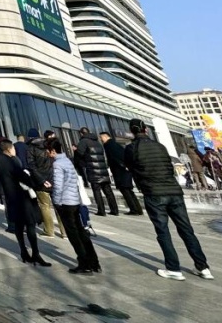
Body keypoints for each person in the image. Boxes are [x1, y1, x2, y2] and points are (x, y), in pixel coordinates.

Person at [124, 119, 212, 281]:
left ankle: (173, 268)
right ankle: (203, 267)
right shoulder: (160, 146)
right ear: (146, 130)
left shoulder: (131, 148)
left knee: (163, 231)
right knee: (186, 229)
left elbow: (130, 167)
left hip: (154, 192)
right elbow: (169, 167)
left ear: (131, 131)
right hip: (173, 190)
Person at [0, 139, 51, 266]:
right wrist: (38, 182)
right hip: (22, 197)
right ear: (9, 149)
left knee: (19, 226)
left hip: (11, 197)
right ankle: (36, 253)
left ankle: (23, 252)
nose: (15, 150)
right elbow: (23, 177)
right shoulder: (12, 161)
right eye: (13, 148)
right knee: (30, 224)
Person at [48, 139, 100, 274]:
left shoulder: (57, 164)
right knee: (81, 232)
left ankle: (84, 263)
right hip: (74, 201)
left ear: (52, 151)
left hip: (65, 203)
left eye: (48, 151)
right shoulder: (67, 160)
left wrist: (56, 201)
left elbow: (58, 186)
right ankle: (94, 262)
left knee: (73, 235)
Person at [75, 127, 118, 216]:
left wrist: (84, 163)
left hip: (93, 169)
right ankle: (115, 210)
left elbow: (79, 154)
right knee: (108, 190)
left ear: (81, 133)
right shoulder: (97, 142)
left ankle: (101, 211)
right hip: (103, 169)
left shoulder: (83, 142)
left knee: (96, 191)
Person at [27, 129, 62, 238]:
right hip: (55, 179)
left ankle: (49, 231)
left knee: (44, 206)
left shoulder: (31, 148)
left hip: (41, 182)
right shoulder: (50, 145)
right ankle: (64, 232)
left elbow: (32, 166)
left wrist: (41, 180)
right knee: (58, 206)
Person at [100, 132, 142, 215]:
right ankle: (138, 209)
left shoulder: (110, 145)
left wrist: (123, 166)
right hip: (123, 170)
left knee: (125, 190)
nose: (101, 139)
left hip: (120, 171)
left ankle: (134, 209)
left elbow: (116, 158)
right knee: (129, 190)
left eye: (101, 137)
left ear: (105, 137)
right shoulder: (114, 144)